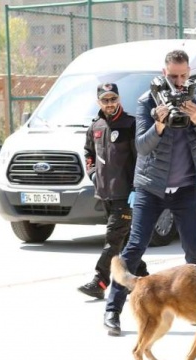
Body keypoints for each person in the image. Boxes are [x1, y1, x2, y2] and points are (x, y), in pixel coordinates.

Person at [103, 49, 196, 336]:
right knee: (135, 246)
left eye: (183, 75)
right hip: (150, 186)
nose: (179, 82)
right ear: (163, 72)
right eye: (173, 76)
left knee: (194, 249)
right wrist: (159, 123)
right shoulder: (147, 100)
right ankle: (112, 310)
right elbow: (142, 146)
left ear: (189, 71)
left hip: (186, 187)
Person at [77, 83, 148, 300]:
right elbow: (88, 152)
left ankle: (100, 280)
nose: (110, 104)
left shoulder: (130, 124)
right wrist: (91, 173)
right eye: (105, 100)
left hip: (125, 194)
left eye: (113, 99)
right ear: (99, 102)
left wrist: (137, 187)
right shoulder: (95, 126)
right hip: (104, 192)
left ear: (119, 99)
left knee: (113, 239)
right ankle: (143, 278)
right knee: (123, 241)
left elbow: (141, 159)